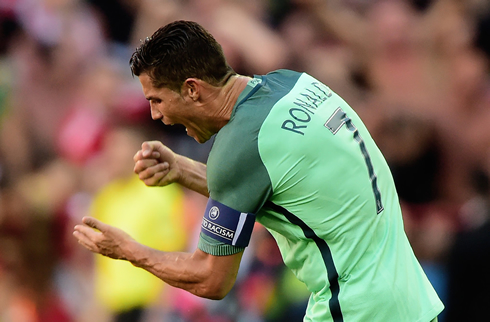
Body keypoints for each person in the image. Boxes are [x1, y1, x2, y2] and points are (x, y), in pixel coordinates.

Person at [73, 20, 444, 322]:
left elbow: (210, 279)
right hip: (410, 299)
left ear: (191, 89)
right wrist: (183, 169)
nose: (156, 116)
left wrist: (127, 250)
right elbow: (276, 190)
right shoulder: (292, 84)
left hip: (355, 309)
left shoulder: (240, 149)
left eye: (156, 100)